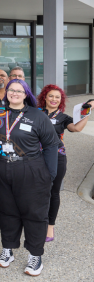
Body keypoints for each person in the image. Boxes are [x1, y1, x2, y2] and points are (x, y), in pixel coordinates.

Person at [0, 79, 59, 277]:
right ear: (6, 92)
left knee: (34, 213)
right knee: (7, 210)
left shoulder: (37, 116)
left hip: (30, 168)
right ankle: (8, 250)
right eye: (11, 90)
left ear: (26, 93)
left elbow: (51, 145)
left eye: (19, 91)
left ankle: (35, 255)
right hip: (1, 168)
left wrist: (50, 175)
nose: (14, 93)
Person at [37, 85, 93, 242]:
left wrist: (86, 113)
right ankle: (35, 221)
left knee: (54, 192)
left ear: (60, 101)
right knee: (36, 191)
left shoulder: (63, 117)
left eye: (57, 97)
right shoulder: (35, 114)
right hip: (35, 158)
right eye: (51, 96)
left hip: (57, 157)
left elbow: (76, 128)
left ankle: (50, 227)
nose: (54, 99)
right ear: (45, 98)